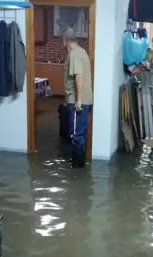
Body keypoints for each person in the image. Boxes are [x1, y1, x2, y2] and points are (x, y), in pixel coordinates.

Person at [63, 28, 93, 168]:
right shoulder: (81, 52)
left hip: (78, 101)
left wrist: (78, 100)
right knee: (78, 134)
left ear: (65, 40)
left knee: (76, 136)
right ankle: (79, 170)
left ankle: (77, 172)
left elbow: (78, 76)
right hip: (82, 100)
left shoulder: (74, 54)